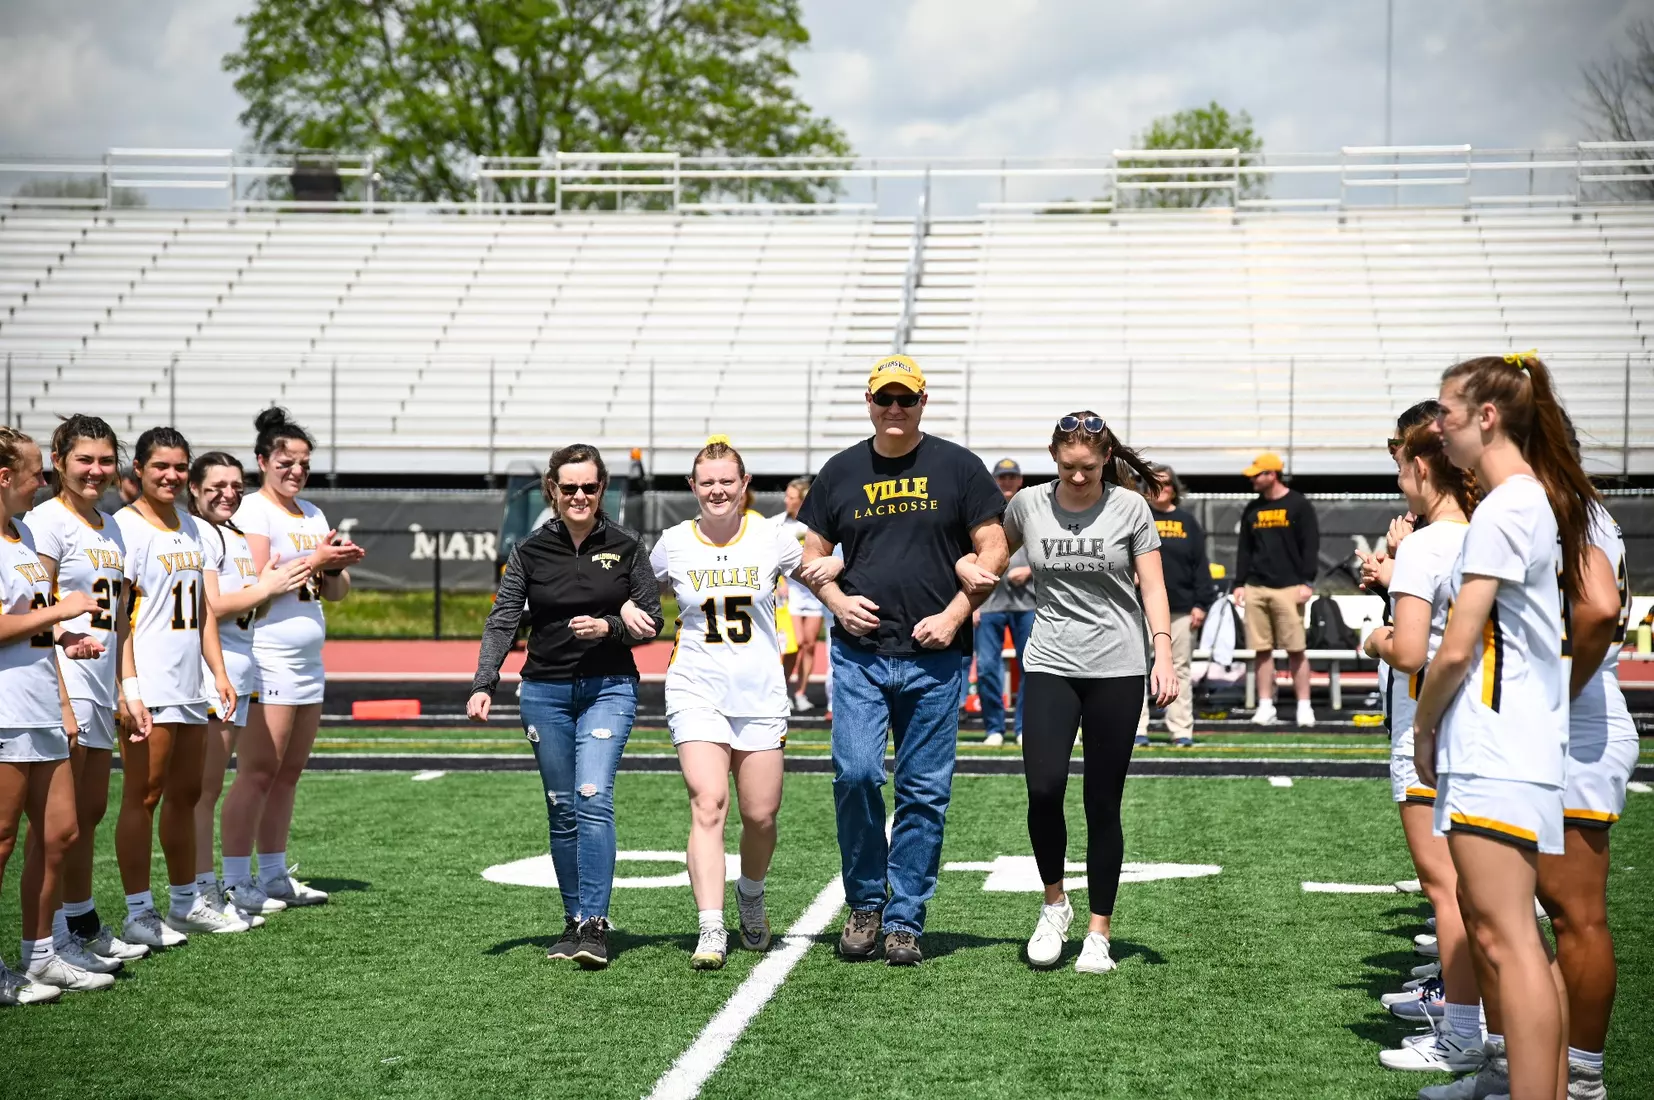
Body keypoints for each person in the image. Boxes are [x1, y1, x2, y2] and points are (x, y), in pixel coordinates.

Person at [1411, 352, 1599, 1100]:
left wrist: (1424, 729)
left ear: (1486, 417)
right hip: (1516, 736)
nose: (1439, 430)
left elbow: (1457, 647)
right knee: (1518, 937)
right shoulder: (1531, 500)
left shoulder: (1504, 506)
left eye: (1447, 415)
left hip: (1493, 738)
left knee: (1506, 937)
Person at [795, 354, 1009, 967]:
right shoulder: (840, 471)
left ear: (922, 402)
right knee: (856, 775)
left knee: (922, 792)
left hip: (937, 658)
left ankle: (905, 919)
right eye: (884, 399)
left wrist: (952, 616)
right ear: (868, 401)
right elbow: (812, 554)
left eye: (905, 399)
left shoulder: (959, 466)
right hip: (861, 655)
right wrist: (835, 599)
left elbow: (991, 547)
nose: (895, 409)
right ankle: (866, 902)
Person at [467, 443, 663, 971]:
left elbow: (652, 618)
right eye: (569, 487)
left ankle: (597, 924)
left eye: (590, 487)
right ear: (553, 490)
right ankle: (573, 919)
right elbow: (504, 618)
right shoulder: (530, 551)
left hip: (608, 687)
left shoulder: (626, 545)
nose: (579, 496)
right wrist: (485, 681)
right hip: (544, 692)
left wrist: (611, 628)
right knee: (561, 807)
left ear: (603, 491)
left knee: (592, 796)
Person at [1006, 413, 1177, 975]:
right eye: (1067, 467)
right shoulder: (1027, 504)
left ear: (1106, 460)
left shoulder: (1130, 508)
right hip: (1051, 661)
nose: (1078, 477)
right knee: (1043, 787)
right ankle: (1054, 904)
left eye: (1088, 467)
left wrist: (1164, 654)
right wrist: (966, 567)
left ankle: (1099, 932)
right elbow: (989, 552)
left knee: (1102, 802)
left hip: (1118, 666)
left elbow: (1152, 584)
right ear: (1053, 457)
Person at [1358, 416, 1485, 1075]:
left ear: (1423, 471)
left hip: (1432, 722)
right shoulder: (1486, 529)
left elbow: (1409, 649)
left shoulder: (1431, 542)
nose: (1399, 480)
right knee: (1478, 893)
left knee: (1448, 888)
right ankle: (1476, 1023)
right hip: (1482, 722)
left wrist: (1371, 640)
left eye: (1402, 469)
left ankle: (1464, 1031)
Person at [651, 436, 802, 970]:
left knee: (760, 815)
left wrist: (838, 588)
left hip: (760, 692)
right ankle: (710, 926)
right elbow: (634, 592)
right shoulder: (672, 543)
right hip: (696, 686)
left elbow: (817, 577)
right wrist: (617, 612)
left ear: (744, 486)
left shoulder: (773, 538)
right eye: (706, 481)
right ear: (693, 487)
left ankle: (752, 891)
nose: (717, 490)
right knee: (708, 800)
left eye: (726, 481)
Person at [1533, 425, 1639, 1100]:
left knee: (1574, 914)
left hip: (1574, 731)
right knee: (1530, 913)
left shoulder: (1565, 503)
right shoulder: (1565, 500)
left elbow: (1598, 609)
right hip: (1562, 728)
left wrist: (1557, 694)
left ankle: (1580, 1080)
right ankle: (1542, 1069)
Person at [222, 408, 363, 915]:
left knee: (289, 773)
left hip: (307, 658)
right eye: (286, 461)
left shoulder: (312, 513)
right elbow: (261, 580)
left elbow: (336, 593)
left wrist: (335, 566)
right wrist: (317, 562)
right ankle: (236, 880)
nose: (296, 470)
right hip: (269, 654)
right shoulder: (254, 511)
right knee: (258, 771)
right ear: (263, 460)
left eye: (303, 462)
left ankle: (274, 872)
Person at [24, 416, 151, 970]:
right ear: (59, 459)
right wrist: (63, 699)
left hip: (101, 684)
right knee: (58, 824)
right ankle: (49, 938)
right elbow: (33, 611)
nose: (97, 471)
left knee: (90, 811)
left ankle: (80, 921)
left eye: (105, 460)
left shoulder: (111, 525)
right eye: (85, 460)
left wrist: (130, 687)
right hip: (61, 684)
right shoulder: (44, 523)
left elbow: (119, 620)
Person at [113, 427, 246, 944]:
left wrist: (218, 672)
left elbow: (205, 614)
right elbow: (120, 618)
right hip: (150, 682)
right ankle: (137, 911)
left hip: (191, 683)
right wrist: (130, 688)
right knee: (142, 797)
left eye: (178, 467)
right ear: (139, 471)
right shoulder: (123, 528)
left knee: (187, 796)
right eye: (160, 467)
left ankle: (185, 902)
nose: (170, 475)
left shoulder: (193, 527)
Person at [0, 426, 112, 1003]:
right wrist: (62, 613)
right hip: (6, 708)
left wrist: (65, 636)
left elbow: (32, 620)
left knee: (61, 832)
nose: (42, 481)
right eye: (36, 471)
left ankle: (42, 955)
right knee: (0, 839)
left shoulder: (18, 536)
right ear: (4, 477)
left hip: (42, 700)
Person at [190, 452, 310, 926]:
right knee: (201, 791)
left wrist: (272, 584)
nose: (228, 493)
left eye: (235, 484)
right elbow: (211, 606)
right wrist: (267, 587)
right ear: (195, 488)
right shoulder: (198, 533)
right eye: (216, 484)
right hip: (208, 670)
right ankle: (198, 891)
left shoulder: (233, 535)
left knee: (209, 787)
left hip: (239, 667)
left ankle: (210, 886)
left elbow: (245, 610)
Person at [1234, 452, 1320, 727]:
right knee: (1261, 650)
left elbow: (1310, 545)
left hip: (1289, 587)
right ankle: (1265, 705)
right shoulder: (1252, 508)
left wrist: (1307, 581)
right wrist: (1239, 583)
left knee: (1296, 649)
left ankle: (1304, 706)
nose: (1253, 479)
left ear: (1272, 475)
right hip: (1256, 587)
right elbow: (1244, 550)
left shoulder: (1298, 505)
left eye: (1257, 474)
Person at [1134, 463, 1215, 748]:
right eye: (1154, 483)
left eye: (1167, 483)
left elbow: (1200, 567)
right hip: (1139, 608)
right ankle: (1137, 728)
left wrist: (1201, 604)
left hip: (1180, 608)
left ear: (1175, 488)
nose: (1161, 488)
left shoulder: (1187, 522)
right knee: (1136, 669)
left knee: (1179, 668)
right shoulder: (1137, 517)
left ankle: (1181, 730)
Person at [974, 458, 1035, 747]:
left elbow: (1052, 552)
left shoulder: (1032, 511)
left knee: (1031, 667)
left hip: (1028, 604)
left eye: (1012, 476)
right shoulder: (983, 509)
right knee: (986, 667)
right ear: (994, 480)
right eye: (1002, 477)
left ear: (1020, 480)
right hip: (988, 603)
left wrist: (1031, 570)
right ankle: (994, 727)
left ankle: (1024, 727)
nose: (1007, 481)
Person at [774, 477, 823, 711]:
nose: (787, 501)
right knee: (794, 644)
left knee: (810, 645)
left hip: (813, 592)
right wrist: (780, 580)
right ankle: (781, 691)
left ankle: (801, 691)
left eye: (791, 497)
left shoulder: (814, 524)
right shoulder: (778, 524)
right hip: (789, 593)